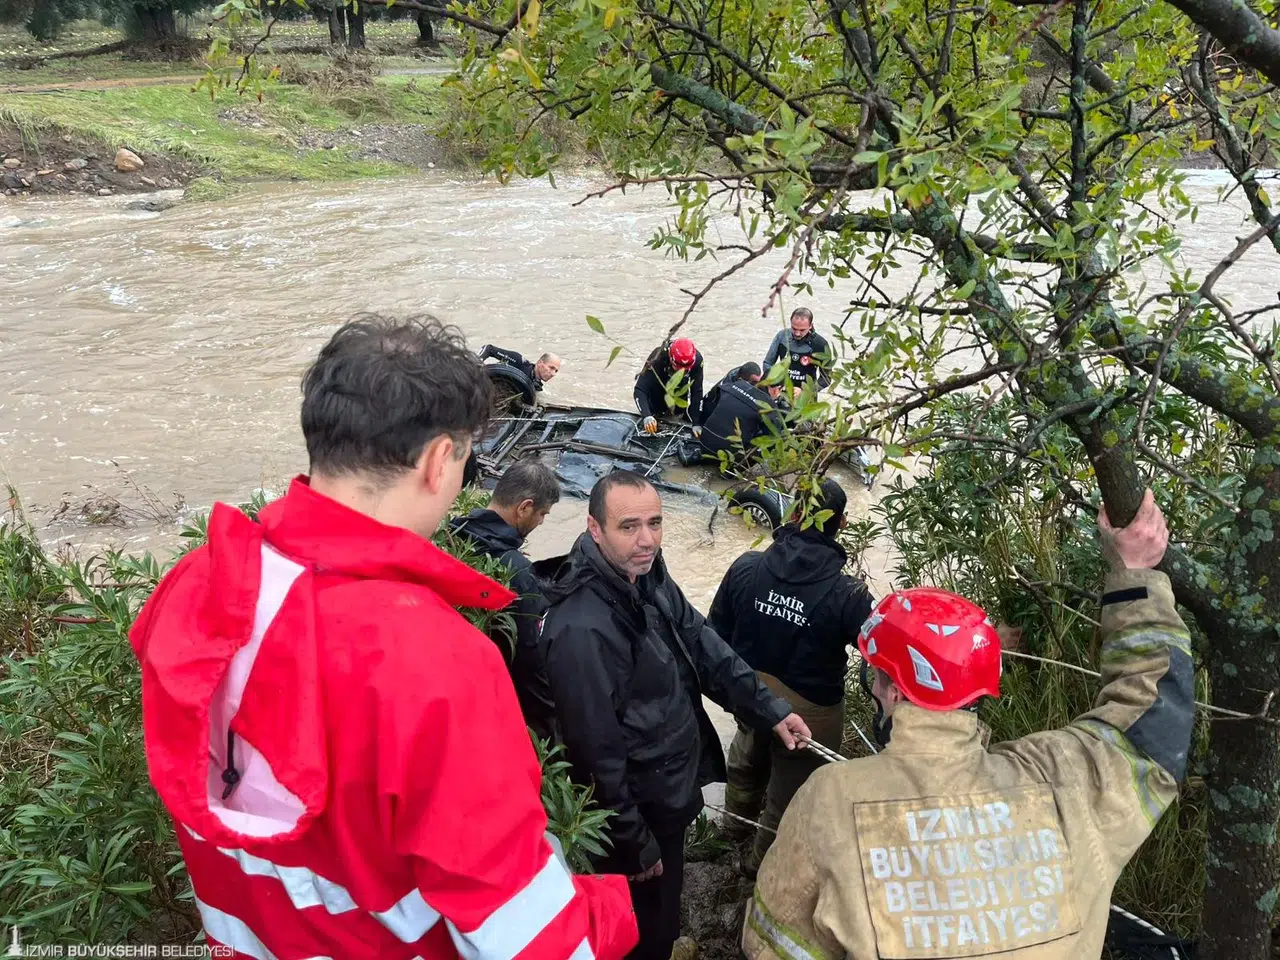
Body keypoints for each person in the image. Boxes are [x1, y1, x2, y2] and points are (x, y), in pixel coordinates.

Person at [130, 315, 637, 960]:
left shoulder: (194, 588)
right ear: (438, 461)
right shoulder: (437, 661)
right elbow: (530, 938)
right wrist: (611, 915)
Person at [743, 489, 1193, 960]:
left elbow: (773, 948)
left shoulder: (830, 799)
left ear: (892, 691)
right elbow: (1152, 721)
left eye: (877, 677)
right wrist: (1137, 575)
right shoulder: (1067, 779)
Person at [538, 470, 813, 960]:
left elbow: (703, 644)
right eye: (628, 527)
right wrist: (632, 842)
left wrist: (769, 710)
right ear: (594, 528)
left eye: (655, 523)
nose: (646, 540)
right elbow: (592, 750)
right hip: (636, 809)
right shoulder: (581, 628)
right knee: (642, 927)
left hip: (668, 787)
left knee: (664, 908)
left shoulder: (646, 574)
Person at [708, 478, 874, 874]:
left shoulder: (747, 566)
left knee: (745, 762)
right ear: (843, 523)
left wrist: (739, 690)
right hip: (809, 718)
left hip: (749, 694)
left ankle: (732, 827)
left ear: (793, 514)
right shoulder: (850, 595)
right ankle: (757, 868)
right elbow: (881, 658)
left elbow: (712, 638)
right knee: (789, 800)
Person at [449, 458, 562, 742]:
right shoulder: (516, 571)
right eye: (542, 514)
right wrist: (549, 725)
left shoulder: (449, 534)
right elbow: (528, 659)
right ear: (524, 508)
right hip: (496, 705)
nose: (541, 522)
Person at [698, 361, 785, 463]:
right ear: (776, 389)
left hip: (704, 444)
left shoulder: (735, 384)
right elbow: (774, 439)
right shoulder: (768, 406)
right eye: (781, 390)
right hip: (727, 458)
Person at [634, 337, 705, 433]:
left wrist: (696, 423)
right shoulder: (658, 357)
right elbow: (640, 389)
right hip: (657, 395)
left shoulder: (697, 360)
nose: (682, 372)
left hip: (678, 396)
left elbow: (697, 391)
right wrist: (647, 416)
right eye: (679, 368)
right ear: (671, 359)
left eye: (686, 370)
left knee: (681, 414)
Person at [762, 307, 832, 391]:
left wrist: (805, 391)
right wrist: (775, 383)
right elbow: (768, 363)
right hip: (782, 390)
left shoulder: (820, 344)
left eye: (802, 330)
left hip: (806, 395)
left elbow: (826, 379)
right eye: (794, 328)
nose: (797, 333)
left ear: (810, 326)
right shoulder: (782, 336)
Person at [480, 343, 563, 391]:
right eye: (551, 368)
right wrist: (476, 364)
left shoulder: (537, 386)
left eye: (556, 371)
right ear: (541, 363)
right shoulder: (519, 361)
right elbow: (488, 348)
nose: (553, 374)